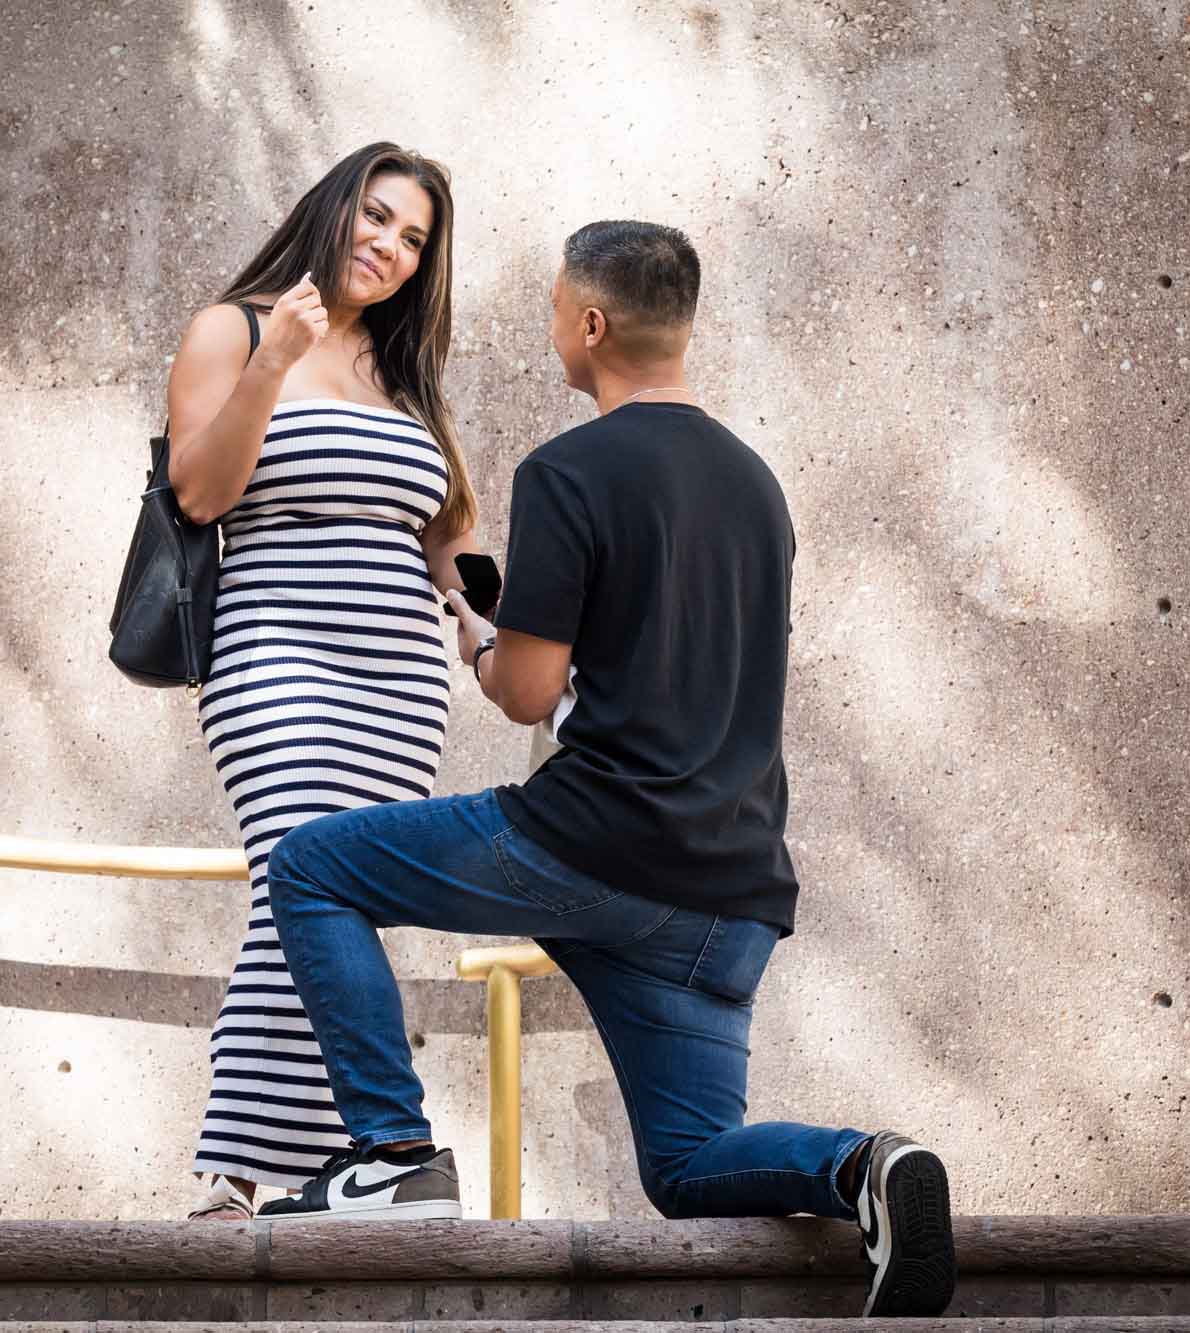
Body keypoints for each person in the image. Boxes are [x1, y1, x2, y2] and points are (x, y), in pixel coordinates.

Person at [255, 221, 957, 1318]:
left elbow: (529, 693)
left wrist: (474, 628)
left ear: (588, 323)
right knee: (685, 1163)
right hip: (725, 894)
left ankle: (390, 1152)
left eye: (551, 310)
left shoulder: (568, 470)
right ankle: (864, 1166)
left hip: (588, 843)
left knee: (311, 868)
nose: (552, 330)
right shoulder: (755, 486)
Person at [161, 142, 482, 1221]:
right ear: (336, 206)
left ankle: (323, 1168)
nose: (389, 247)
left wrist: (487, 633)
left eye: (414, 239)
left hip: (399, 679)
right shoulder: (234, 328)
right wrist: (272, 360)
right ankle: (245, 1168)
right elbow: (199, 493)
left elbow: (444, 540)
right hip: (275, 657)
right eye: (379, 218)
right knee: (292, 872)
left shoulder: (401, 375)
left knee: (328, 904)